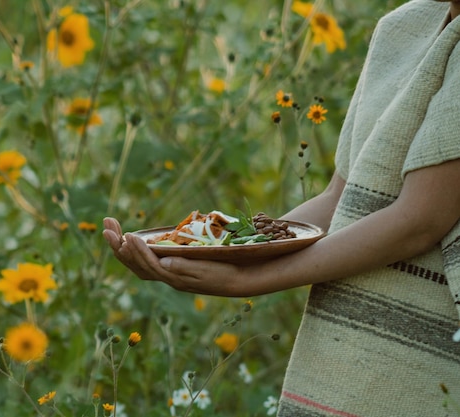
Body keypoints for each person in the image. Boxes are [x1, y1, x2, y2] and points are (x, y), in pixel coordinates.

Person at [103, 0, 460, 415]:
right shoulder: (403, 27)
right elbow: (342, 201)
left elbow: (420, 220)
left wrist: (246, 281)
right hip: (350, 358)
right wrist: (221, 244)